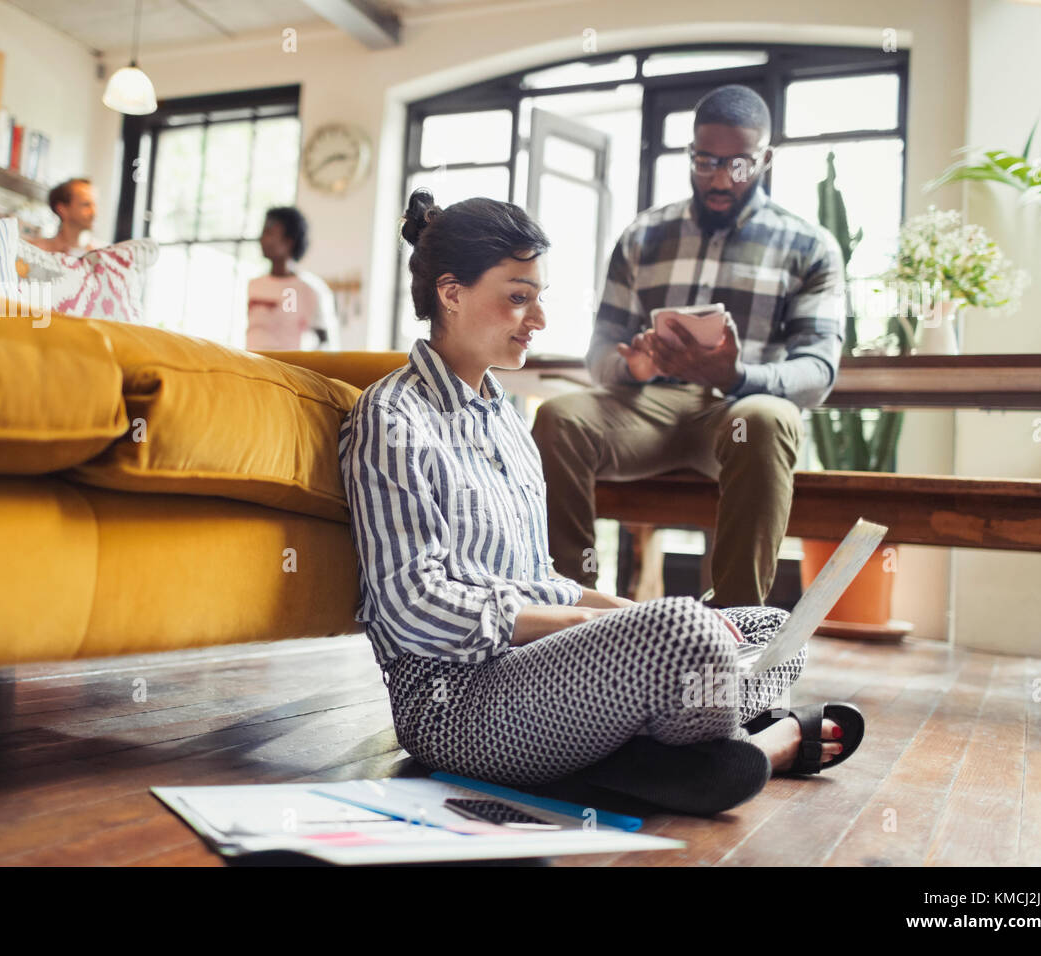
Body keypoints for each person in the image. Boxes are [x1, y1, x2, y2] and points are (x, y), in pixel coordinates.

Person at [337, 186, 854, 813]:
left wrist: (618, 611)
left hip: (545, 674)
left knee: (773, 628)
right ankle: (743, 743)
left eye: (540, 299)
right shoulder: (391, 419)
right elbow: (411, 605)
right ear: (451, 293)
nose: (539, 319)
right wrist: (595, 624)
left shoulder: (505, 418)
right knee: (685, 634)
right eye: (519, 298)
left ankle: (673, 754)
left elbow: (539, 579)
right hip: (456, 704)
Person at [530, 84, 846, 608]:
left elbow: (817, 369)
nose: (721, 178)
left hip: (741, 410)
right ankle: (570, 613)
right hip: (649, 409)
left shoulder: (810, 246)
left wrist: (737, 375)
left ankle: (737, 626)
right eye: (705, 161)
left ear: (765, 159)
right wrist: (632, 366)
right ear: (691, 155)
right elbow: (600, 349)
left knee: (766, 420)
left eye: (739, 164)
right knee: (560, 417)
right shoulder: (643, 236)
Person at [246, 207, 337, 351]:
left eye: (269, 233)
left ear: (289, 242)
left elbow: (326, 342)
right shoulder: (253, 285)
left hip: (287, 369)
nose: (262, 239)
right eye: (263, 233)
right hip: (252, 367)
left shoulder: (310, 289)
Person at [29, 178, 98, 256]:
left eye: (94, 205)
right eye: (86, 205)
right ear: (62, 209)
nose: (94, 213)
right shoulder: (33, 251)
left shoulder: (94, 259)